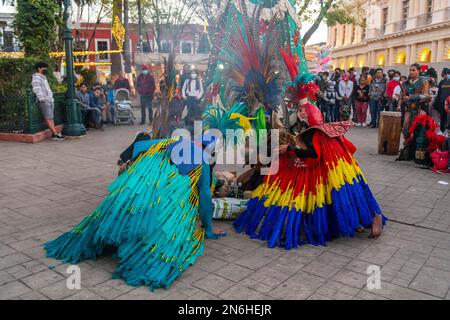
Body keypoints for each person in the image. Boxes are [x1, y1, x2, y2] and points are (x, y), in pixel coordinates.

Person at [234, 102, 386, 249]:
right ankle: (373, 216)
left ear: (309, 116)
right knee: (351, 194)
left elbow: (314, 155)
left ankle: (371, 218)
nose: (300, 114)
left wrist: (290, 149)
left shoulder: (311, 133)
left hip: (332, 169)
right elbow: (347, 147)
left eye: (302, 112)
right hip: (342, 168)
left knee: (335, 196)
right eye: (299, 111)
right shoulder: (326, 128)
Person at [31, 62, 64, 140]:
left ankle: (54, 133)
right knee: (48, 117)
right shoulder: (36, 77)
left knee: (51, 117)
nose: (46, 69)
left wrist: (50, 97)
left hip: (49, 99)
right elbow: (36, 89)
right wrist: (42, 98)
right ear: (39, 68)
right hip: (44, 100)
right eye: (44, 67)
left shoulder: (43, 77)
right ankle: (55, 134)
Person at [401, 63, 430, 139]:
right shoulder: (405, 83)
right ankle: (407, 146)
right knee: (406, 126)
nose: (411, 72)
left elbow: (426, 96)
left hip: (420, 108)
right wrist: (401, 99)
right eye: (410, 70)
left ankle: (418, 148)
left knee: (420, 128)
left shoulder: (424, 81)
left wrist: (412, 98)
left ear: (419, 71)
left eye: (413, 70)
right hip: (408, 108)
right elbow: (403, 94)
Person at [435, 68, 450, 135]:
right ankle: (442, 130)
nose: (448, 75)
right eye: (447, 74)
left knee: (448, 117)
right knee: (442, 117)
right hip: (442, 103)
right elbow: (439, 92)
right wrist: (438, 101)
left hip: (449, 103)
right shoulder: (442, 82)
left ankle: (448, 130)